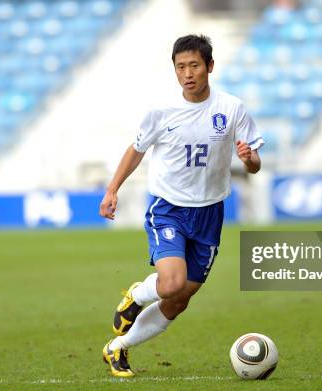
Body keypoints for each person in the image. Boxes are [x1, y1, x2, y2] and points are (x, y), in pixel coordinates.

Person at [98, 34, 264, 377]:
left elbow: (255, 164)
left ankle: (118, 348)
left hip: (210, 214)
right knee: (170, 283)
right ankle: (137, 294)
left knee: (178, 300)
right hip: (169, 207)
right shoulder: (162, 111)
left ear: (210, 67)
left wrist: (248, 159)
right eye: (180, 67)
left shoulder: (232, 109)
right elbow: (137, 148)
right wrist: (113, 188)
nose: (187, 73)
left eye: (194, 66)